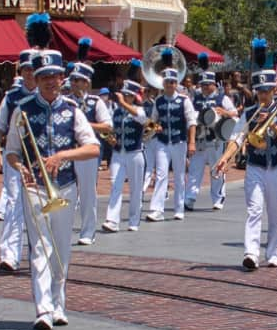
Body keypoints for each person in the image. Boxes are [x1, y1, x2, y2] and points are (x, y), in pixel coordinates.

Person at [5, 49, 99, 330]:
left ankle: (59, 304)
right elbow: (11, 150)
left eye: (54, 76)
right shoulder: (22, 109)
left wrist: (62, 156)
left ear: (62, 78)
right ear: (35, 77)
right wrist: (18, 166)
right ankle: (43, 309)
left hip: (65, 187)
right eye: (43, 76)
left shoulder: (72, 110)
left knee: (61, 249)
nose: (49, 81)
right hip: (34, 187)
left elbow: (93, 148)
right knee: (40, 248)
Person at [214, 65, 277, 270]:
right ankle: (251, 252)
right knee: (254, 209)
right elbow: (237, 137)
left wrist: (272, 126)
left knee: (275, 211)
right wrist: (225, 158)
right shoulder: (250, 112)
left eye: (266, 91)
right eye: (259, 91)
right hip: (255, 166)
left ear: (274, 90)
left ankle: (272, 252)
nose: (262, 95)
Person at [0, 52, 35, 272]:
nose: (29, 73)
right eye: (25, 69)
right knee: (13, 203)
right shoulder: (11, 97)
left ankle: (41, 254)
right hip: (15, 156)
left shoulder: (47, 95)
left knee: (40, 207)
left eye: (32, 68)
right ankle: (10, 255)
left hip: (40, 159)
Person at [65, 46, 110, 246]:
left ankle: (88, 231)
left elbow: (107, 126)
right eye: (73, 80)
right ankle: (63, 230)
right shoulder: (64, 101)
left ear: (87, 82)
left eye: (80, 80)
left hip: (87, 152)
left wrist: (84, 125)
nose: (76, 84)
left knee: (87, 193)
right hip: (68, 150)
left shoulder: (95, 102)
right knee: (67, 191)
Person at [147, 66, 197, 222]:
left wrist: (192, 143)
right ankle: (157, 209)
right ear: (163, 83)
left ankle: (179, 208)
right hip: (162, 142)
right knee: (161, 175)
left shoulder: (184, 100)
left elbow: (191, 122)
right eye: (167, 82)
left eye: (173, 82)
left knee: (179, 176)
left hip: (179, 141)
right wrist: (155, 127)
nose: (170, 85)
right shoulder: (159, 101)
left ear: (176, 83)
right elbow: (152, 121)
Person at [103, 62, 148, 233]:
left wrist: (124, 104)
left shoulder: (139, 110)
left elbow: (142, 119)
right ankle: (112, 220)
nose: (125, 98)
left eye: (129, 95)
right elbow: (107, 128)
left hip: (135, 153)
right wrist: (110, 138)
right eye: (124, 95)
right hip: (118, 153)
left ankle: (134, 220)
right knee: (116, 184)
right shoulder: (116, 111)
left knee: (136, 189)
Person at [187, 68, 237, 211]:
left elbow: (235, 113)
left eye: (207, 84)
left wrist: (224, 112)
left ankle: (218, 198)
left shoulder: (222, 98)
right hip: (200, 139)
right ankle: (190, 197)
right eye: (202, 84)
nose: (204, 87)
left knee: (217, 170)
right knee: (194, 169)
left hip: (216, 139)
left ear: (213, 84)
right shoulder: (196, 98)